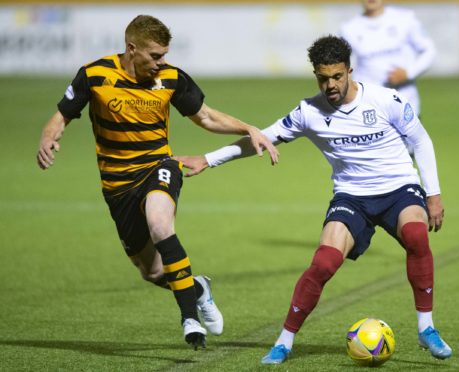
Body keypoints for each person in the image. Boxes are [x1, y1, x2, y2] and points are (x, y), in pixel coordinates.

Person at [179, 35, 452, 363]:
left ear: (350, 71)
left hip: (398, 189)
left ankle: (426, 328)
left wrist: (433, 195)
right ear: (316, 76)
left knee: (416, 235)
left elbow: (420, 141)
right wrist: (208, 159)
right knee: (323, 263)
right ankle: (284, 341)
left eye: (337, 76)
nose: (331, 84)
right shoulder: (308, 111)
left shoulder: (384, 100)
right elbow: (259, 141)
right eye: (323, 78)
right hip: (352, 197)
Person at [36, 15, 279, 350]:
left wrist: (248, 128)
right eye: (155, 55)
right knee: (151, 272)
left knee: (160, 224)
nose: (161, 62)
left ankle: (189, 318)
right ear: (131, 49)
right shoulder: (95, 75)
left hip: (158, 166)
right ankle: (197, 289)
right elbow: (62, 115)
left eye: (165, 54)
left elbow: (206, 116)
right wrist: (48, 138)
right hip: (116, 184)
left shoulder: (171, 79)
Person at [340, 0, 436, 116]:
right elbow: (339, 64)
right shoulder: (349, 29)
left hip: (405, 101)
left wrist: (408, 73)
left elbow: (429, 51)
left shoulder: (405, 19)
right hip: (369, 105)